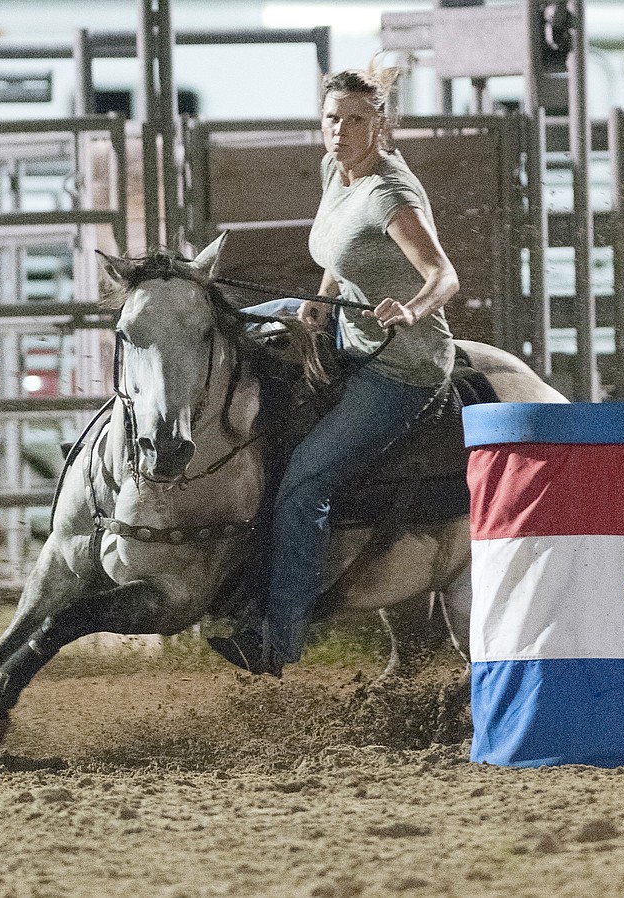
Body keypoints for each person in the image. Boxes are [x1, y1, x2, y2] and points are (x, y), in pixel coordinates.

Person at [208, 64, 459, 677]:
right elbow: (341, 254)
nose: (340, 131)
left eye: (355, 120)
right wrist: (321, 296)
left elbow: (444, 276)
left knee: (305, 480)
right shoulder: (335, 171)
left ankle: (278, 637)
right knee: (230, 326)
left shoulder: (387, 194)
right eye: (332, 119)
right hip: (345, 330)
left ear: (380, 125)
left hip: (402, 365)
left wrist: (412, 309)